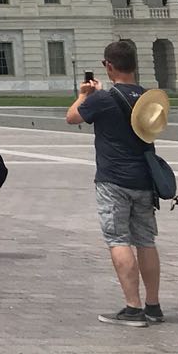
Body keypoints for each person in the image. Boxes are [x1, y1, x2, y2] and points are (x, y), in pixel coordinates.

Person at [67, 41, 165, 326]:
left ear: (108, 66)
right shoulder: (150, 98)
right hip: (145, 178)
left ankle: (132, 307)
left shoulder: (103, 98)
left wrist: (83, 95)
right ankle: (154, 305)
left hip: (113, 179)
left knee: (118, 239)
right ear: (135, 64)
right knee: (146, 241)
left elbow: (72, 118)